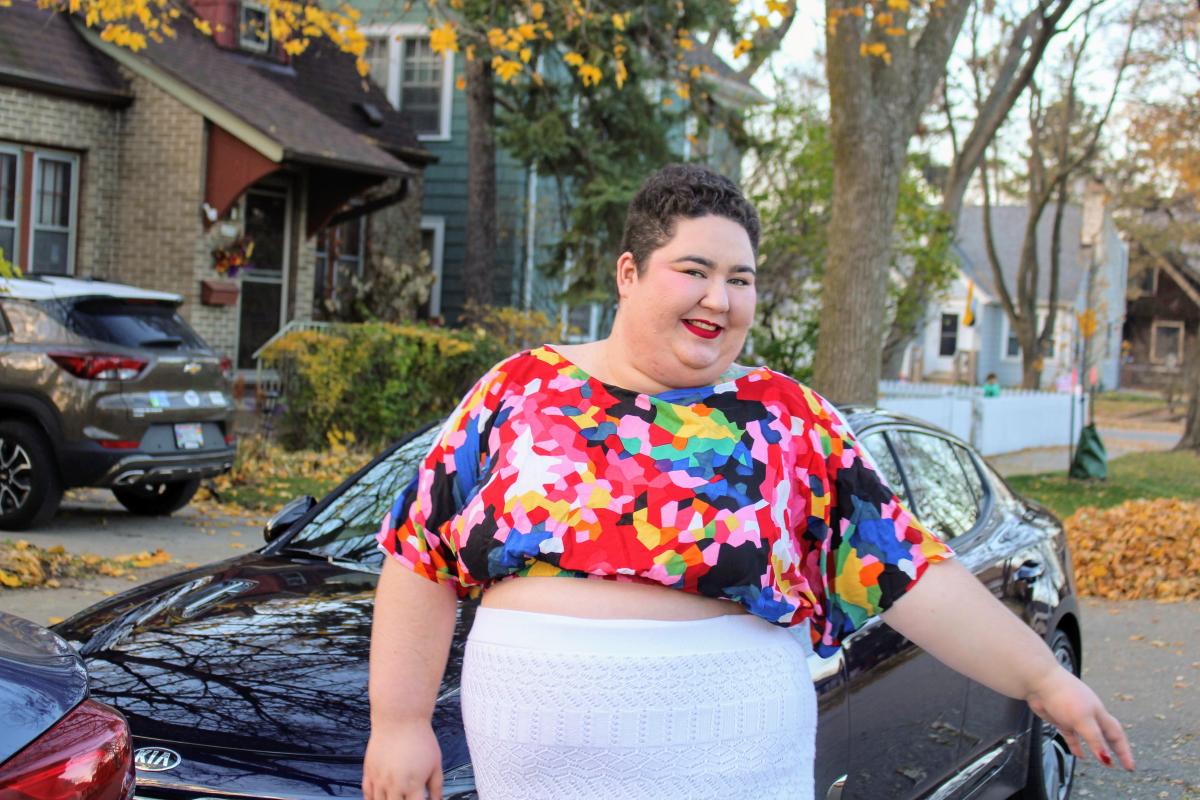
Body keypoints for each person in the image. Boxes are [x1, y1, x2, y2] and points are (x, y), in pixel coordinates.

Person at [364, 164, 1133, 800]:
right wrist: (397, 722)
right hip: (535, 763)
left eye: (742, 279)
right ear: (629, 273)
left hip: (729, 752)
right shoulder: (520, 389)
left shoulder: (788, 418)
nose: (719, 298)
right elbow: (418, 556)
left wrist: (1043, 680)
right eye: (693, 271)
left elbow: (908, 568)